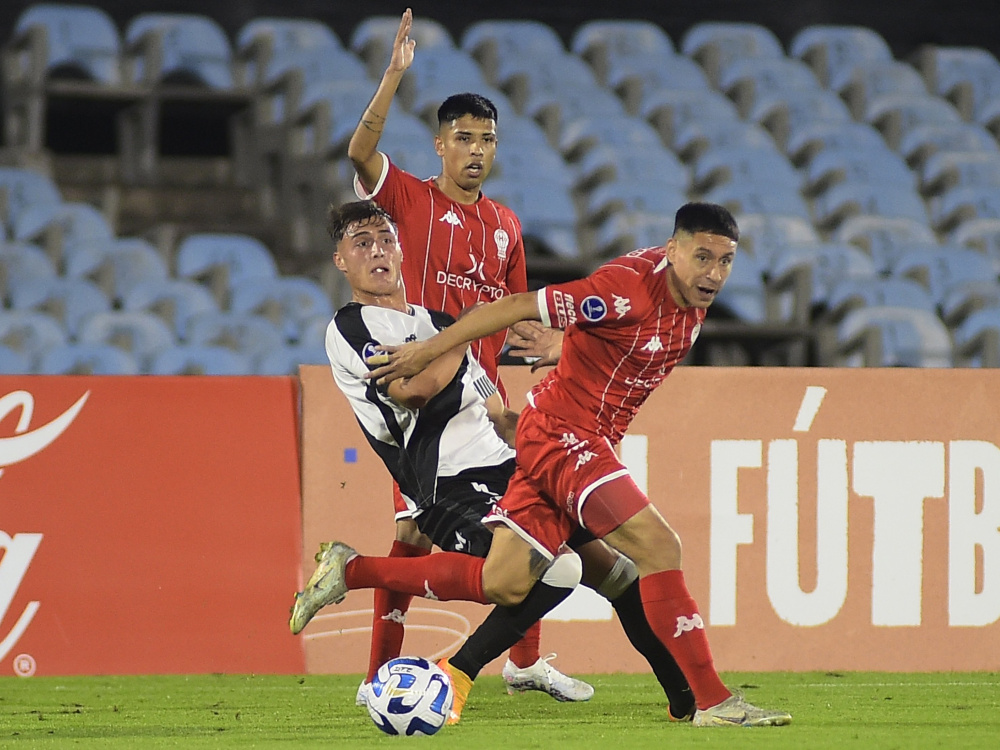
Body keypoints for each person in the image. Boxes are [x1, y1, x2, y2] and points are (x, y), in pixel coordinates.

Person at [364, 202, 793, 727]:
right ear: (672, 249)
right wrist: (423, 352)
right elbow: (516, 304)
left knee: (519, 580)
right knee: (659, 546)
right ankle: (712, 702)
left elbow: (617, 334)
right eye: (702, 257)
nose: (714, 274)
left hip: (567, 435)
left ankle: (363, 582)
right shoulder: (624, 288)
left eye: (725, 261)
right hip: (565, 436)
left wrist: (565, 341)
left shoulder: (688, 298)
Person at [292, 200, 695, 724]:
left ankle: (686, 699)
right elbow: (412, 390)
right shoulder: (351, 329)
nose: (377, 251)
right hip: (446, 487)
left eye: (386, 239)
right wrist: (466, 335)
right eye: (361, 243)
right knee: (553, 571)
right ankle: (381, 598)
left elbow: (496, 413)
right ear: (340, 261)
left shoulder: (439, 326)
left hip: (510, 468)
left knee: (615, 572)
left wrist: (544, 434)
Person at [344, 6, 579, 701]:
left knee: (532, 515)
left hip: (482, 398)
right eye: (464, 138)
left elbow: (512, 316)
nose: (477, 150)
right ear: (440, 146)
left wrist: (540, 347)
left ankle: (524, 663)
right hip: (424, 404)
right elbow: (360, 153)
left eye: (487, 139)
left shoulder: (505, 225)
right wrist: (393, 76)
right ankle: (376, 678)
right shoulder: (409, 202)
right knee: (414, 537)